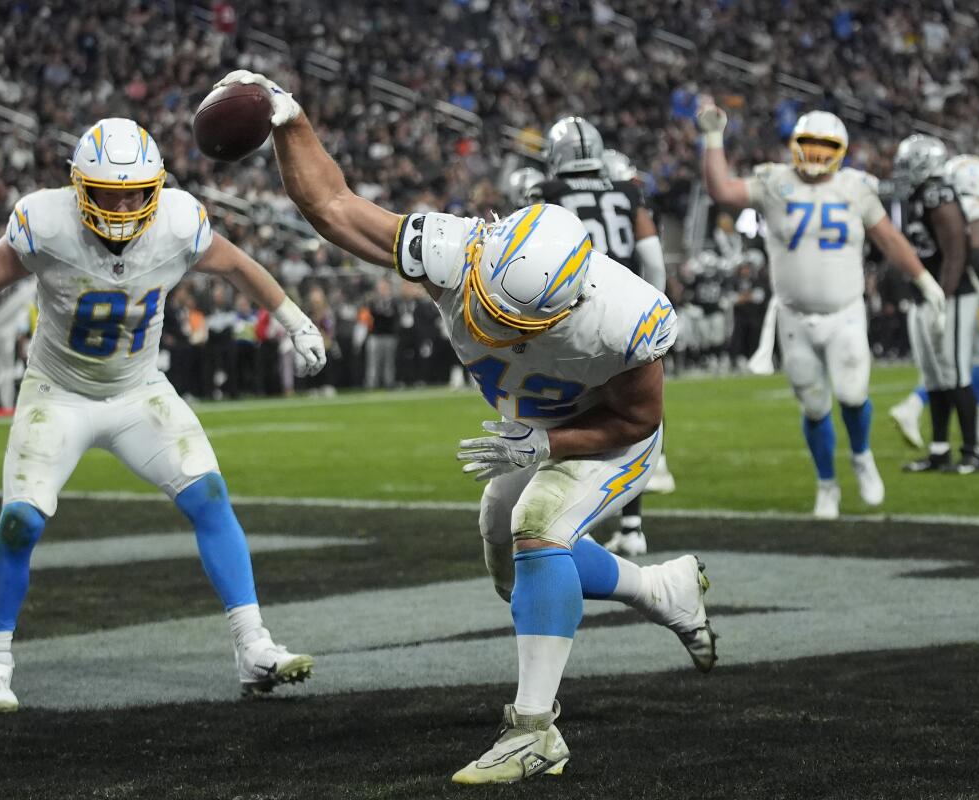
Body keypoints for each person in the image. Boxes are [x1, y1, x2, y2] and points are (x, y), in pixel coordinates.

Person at [222, 69, 716, 784]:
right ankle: (661, 590)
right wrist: (288, 117)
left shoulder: (626, 314)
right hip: (535, 421)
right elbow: (332, 205)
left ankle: (535, 731)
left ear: (570, 305)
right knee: (512, 559)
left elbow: (640, 417)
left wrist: (549, 443)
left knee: (540, 527)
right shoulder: (457, 248)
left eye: (517, 322)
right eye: (488, 302)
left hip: (605, 436)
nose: (490, 324)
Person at [0, 118, 325, 712]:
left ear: (156, 187)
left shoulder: (177, 222)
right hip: (57, 393)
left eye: (134, 191)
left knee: (209, 495)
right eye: (106, 191)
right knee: (21, 523)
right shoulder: (46, 223)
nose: (120, 204)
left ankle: (253, 647)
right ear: (77, 187)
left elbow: (240, 266)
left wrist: (295, 320)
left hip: (138, 390)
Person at [697, 105, 946, 517]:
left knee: (852, 395)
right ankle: (826, 483)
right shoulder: (773, 181)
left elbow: (888, 238)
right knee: (814, 406)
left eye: (824, 145)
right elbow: (722, 191)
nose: (814, 153)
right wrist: (712, 139)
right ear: (793, 146)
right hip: (794, 315)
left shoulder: (855, 186)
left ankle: (862, 456)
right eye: (807, 144)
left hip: (845, 312)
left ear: (841, 149)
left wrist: (924, 279)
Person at [526, 117, 675, 557]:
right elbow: (653, 257)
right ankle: (632, 526)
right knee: (629, 416)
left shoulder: (549, 193)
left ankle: (577, 524)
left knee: (572, 418)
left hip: (575, 316)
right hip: (627, 315)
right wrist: (654, 311)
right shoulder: (627, 191)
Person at [890, 153, 979, 450]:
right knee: (972, 360)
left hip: (944, 290)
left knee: (948, 366)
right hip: (967, 290)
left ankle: (936, 428)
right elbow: (975, 253)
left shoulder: (937, 201)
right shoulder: (968, 204)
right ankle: (978, 430)